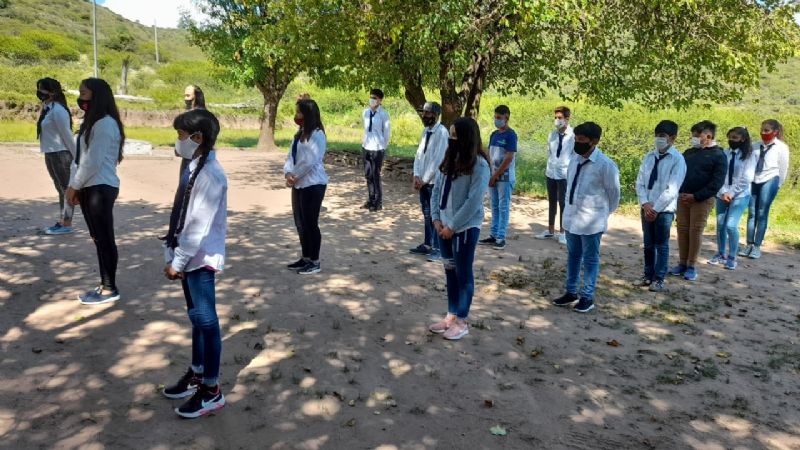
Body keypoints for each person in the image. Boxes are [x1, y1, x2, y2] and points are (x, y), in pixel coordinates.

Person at [161, 108, 228, 419]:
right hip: (188, 257)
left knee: (206, 320)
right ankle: (198, 373)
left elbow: (198, 227)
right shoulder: (195, 166)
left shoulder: (211, 176)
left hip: (199, 260)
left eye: (181, 136)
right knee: (196, 319)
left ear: (198, 138)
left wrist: (178, 259)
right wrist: (170, 247)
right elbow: (182, 212)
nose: (178, 141)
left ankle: (211, 390)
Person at [429, 117, 490, 340]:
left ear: (467, 138)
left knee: (463, 274)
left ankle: (462, 321)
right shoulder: (449, 160)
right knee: (450, 272)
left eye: (455, 136)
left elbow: (473, 201)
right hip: (443, 226)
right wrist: (436, 219)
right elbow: (437, 190)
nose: (451, 139)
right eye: (450, 135)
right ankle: (450, 316)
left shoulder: (479, 166)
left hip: (463, 229)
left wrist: (452, 226)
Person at [65, 78, 125, 305]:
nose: (80, 97)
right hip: (89, 186)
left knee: (105, 238)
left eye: (84, 92)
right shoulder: (91, 123)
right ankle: (104, 284)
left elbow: (93, 161)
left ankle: (110, 288)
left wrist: (74, 186)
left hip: (100, 186)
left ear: (97, 95)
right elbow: (78, 160)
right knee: (98, 238)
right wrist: (74, 185)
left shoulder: (106, 124)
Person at [552, 122, 620, 313]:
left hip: (592, 222)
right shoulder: (574, 158)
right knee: (573, 256)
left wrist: (602, 214)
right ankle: (571, 291)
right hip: (572, 218)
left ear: (594, 141)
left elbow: (614, 195)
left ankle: (587, 296)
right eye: (576, 139)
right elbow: (569, 188)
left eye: (582, 140)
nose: (577, 143)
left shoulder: (605, 165)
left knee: (590, 259)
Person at [669, 121, 727, 281]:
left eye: (697, 135)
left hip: (702, 200)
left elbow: (717, 182)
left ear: (708, 136)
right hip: (683, 197)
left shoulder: (719, 155)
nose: (693, 138)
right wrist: (680, 192)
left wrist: (696, 196)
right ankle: (682, 262)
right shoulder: (689, 153)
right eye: (693, 134)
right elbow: (678, 173)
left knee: (695, 231)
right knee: (682, 229)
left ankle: (691, 265)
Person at [633, 120, 686, 292]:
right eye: (657, 136)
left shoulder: (678, 160)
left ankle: (659, 278)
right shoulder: (649, 157)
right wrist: (645, 203)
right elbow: (640, 182)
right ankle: (647, 275)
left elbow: (672, 189)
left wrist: (655, 208)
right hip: (647, 207)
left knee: (661, 245)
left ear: (673, 138)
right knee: (648, 244)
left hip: (664, 210)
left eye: (662, 136)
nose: (659, 139)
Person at [284, 99, 328, 275]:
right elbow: (290, 156)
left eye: (300, 112)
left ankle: (315, 261)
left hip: (313, 184)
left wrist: (294, 176)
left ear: (308, 114)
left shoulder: (317, 135)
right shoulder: (300, 133)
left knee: (310, 224)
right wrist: (288, 173)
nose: (297, 115)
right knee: (300, 223)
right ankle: (305, 257)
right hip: (299, 184)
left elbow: (310, 161)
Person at [162, 86, 210, 241]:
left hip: (197, 159)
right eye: (185, 95)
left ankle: (184, 234)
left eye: (188, 95)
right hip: (186, 159)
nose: (186, 99)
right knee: (181, 196)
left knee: (191, 196)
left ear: (197, 96)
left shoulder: (202, 117)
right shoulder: (188, 115)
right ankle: (173, 232)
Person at [741, 119, 790, 259]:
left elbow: (783, 168)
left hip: (770, 179)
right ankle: (749, 244)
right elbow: (748, 163)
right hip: (754, 179)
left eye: (767, 130)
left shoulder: (781, 147)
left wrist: (778, 184)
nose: (763, 133)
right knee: (751, 213)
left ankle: (757, 246)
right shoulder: (755, 145)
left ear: (775, 132)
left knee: (762, 212)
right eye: (762, 130)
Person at [709, 127, 756, 270]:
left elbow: (746, 178)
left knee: (730, 225)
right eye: (729, 137)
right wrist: (723, 191)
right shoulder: (725, 153)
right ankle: (721, 253)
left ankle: (732, 256)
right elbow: (719, 173)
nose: (731, 140)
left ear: (742, 139)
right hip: (722, 193)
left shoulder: (749, 155)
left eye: (735, 138)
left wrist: (731, 193)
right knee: (720, 224)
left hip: (740, 194)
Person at [36, 77, 76, 235]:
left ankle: (66, 223)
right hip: (51, 152)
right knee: (60, 189)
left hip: (61, 154)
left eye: (42, 89)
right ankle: (62, 221)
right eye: (39, 89)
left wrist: (76, 157)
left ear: (52, 92)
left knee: (66, 190)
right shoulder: (48, 107)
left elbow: (67, 135)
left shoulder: (58, 110)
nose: (40, 93)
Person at [410, 102, 449, 261]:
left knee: (436, 215)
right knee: (426, 214)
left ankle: (438, 248)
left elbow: (438, 159)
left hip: (434, 182)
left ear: (435, 115)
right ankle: (428, 244)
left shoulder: (442, 133)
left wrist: (424, 179)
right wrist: (416, 175)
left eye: (427, 113)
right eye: (423, 113)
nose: (424, 116)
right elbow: (419, 155)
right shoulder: (426, 131)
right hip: (423, 182)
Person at [479, 105, 518, 250]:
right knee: (494, 206)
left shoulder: (511, 135)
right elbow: (489, 154)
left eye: (499, 118)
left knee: (503, 207)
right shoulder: (494, 135)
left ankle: (501, 237)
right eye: (495, 117)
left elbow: (508, 158)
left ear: (506, 117)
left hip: (504, 178)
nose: (496, 120)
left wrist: (495, 175)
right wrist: (490, 173)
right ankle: (493, 234)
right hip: (492, 176)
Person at [536, 105, 574, 245]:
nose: (557, 120)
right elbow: (549, 152)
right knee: (552, 201)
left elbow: (574, 156)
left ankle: (563, 232)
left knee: (563, 202)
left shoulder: (573, 136)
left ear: (567, 118)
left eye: (560, 118)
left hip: (564, 174)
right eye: (556, 118)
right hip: (551, 171)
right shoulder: (552, 135)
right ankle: (550, 230)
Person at [361, 88, 390, 212]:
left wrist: (382, 146)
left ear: (380, 100)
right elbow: (366, 130)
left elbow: (387, 133)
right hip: (366, 146)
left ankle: (378, 202)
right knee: (368, 175)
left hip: (377, 148)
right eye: (371, 97)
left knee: (375, 175)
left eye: (374, 98)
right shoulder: (365, 112)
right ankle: (371, 198)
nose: (372, 100)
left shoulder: (384, 115)